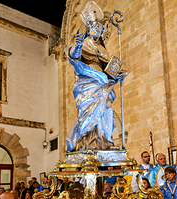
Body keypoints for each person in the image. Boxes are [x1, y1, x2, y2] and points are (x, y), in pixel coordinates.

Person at [65, 0, 127, 151]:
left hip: (103, 85)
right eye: (95, 26)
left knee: (106, 112)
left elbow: (108, 70)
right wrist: (78, 45)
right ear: (89, 28)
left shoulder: (102, 49)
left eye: (100, 27)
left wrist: (116, 77)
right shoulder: (84, 43)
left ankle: (105, 142)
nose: (98, 29)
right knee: (89, 114)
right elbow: (74, 56)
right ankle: (88, 144)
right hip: (87, 85)